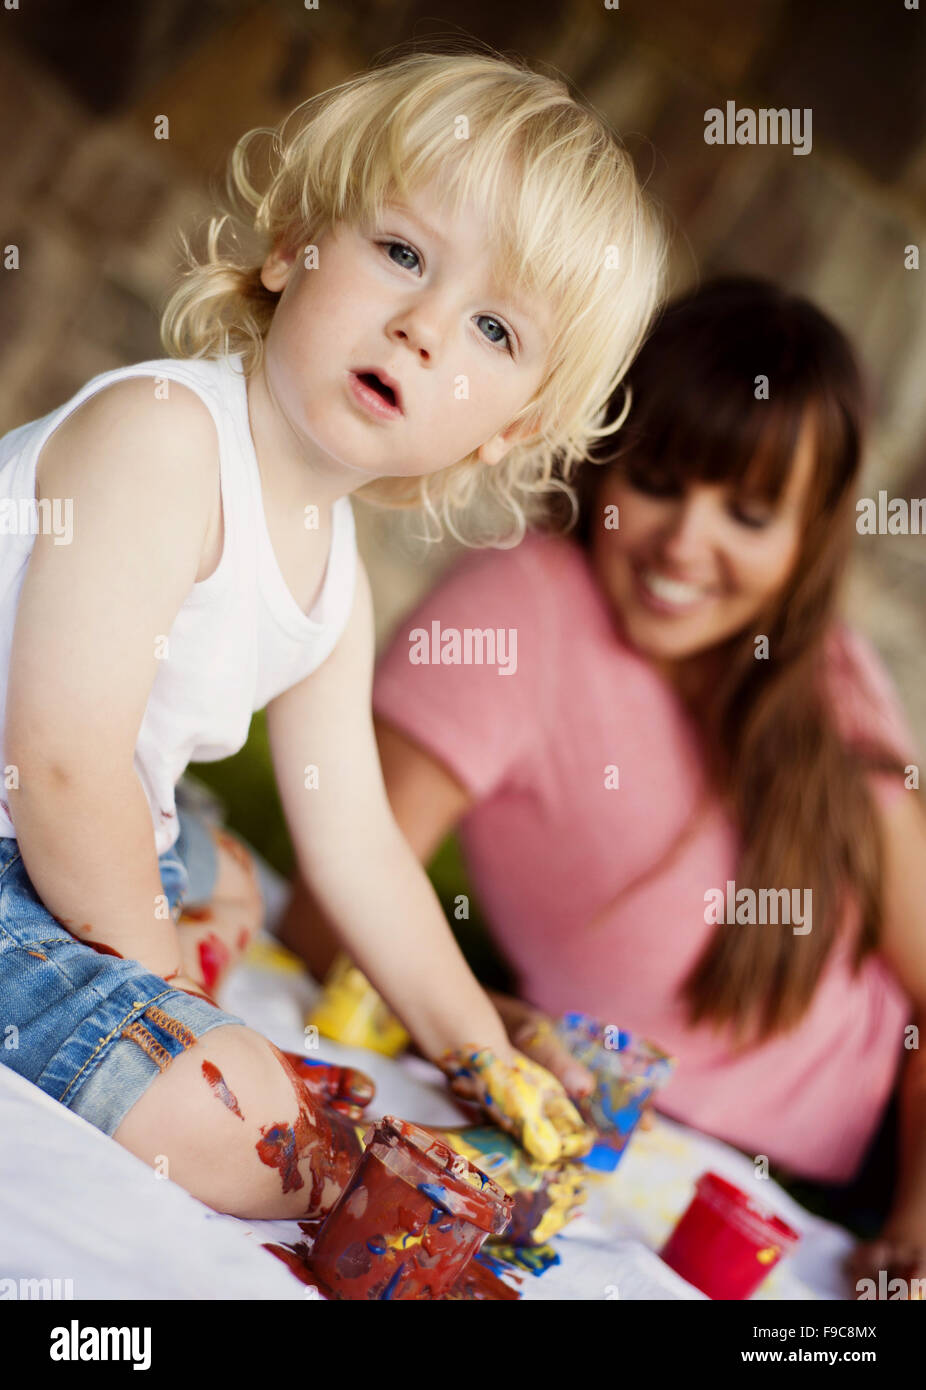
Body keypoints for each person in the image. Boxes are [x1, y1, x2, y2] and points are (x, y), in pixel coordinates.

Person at [0, 48, 667, 1216]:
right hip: (29, 812)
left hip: (80, 827)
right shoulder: (161, 438)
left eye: (493, 332)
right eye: (402, 254)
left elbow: (356, 842)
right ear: (292, 243)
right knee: (255, 1128)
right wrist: (166, 992)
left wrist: (478, 1049)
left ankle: (160, 938)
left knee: (233, 875)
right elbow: (56, 766)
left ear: (504, 433)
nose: (421, 328)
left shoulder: (334, 585)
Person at [280, 277, 926, 1288]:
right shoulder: (519, 607)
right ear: (602, 457)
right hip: (667, 1177)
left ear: (807, 542)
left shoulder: (828, 671)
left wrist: (915, 1217)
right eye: (660, 481)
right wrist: (501, 1034)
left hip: (881, 1181)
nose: (683, 544)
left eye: (749, 513)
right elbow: (330, 905)